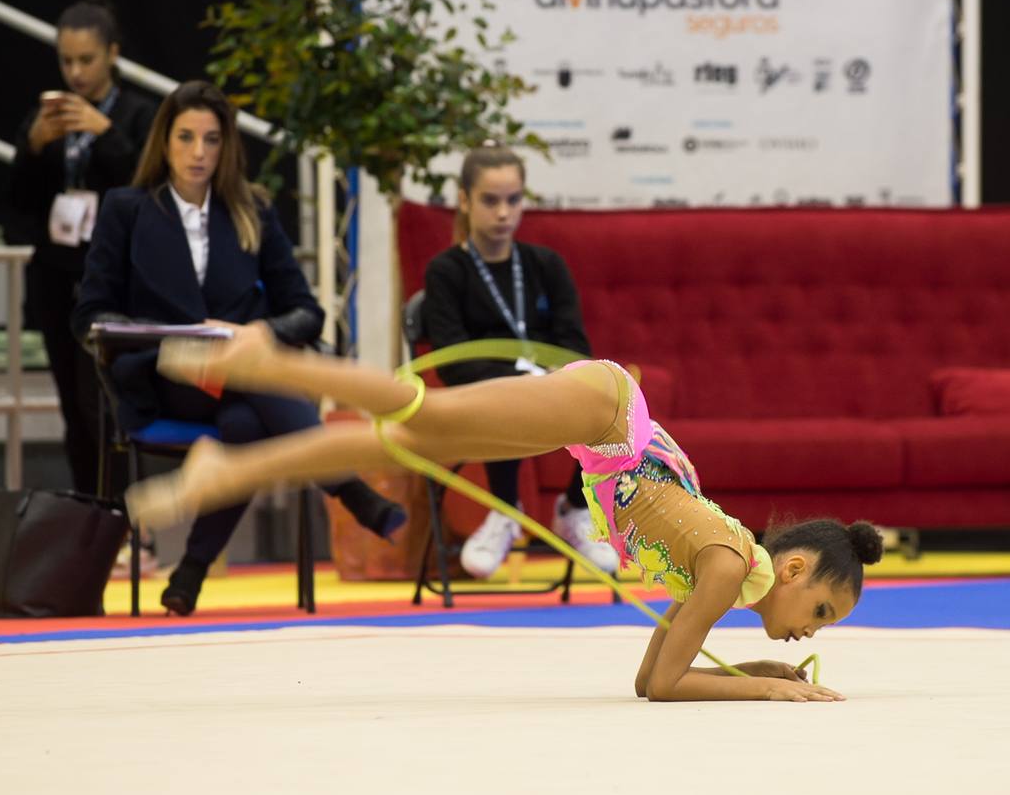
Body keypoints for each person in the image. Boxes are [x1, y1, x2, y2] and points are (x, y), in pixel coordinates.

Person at [127, 323, 882, 701]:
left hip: (596, 436)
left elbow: (654, 675)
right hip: (606, 411)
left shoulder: (729, 573)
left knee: (403, 446)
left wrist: (757, 668)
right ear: (793, 566)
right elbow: (668, 686)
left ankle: (230, 468)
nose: (815, 628)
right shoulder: (723, 569)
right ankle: (268, 359)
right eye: (821, 606)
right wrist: (771, 689)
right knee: (431, 414)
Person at [71, 80, 406, 616]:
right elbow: (91, 314)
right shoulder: (127, 210)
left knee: (247, 425)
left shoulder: (251, 210)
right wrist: (165, 337)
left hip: (240, 376)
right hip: (166, 375)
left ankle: (190, 574)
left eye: (211, 139)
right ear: (164, 141)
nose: (198, 153)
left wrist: (262, 335)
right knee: (255, 392)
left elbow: (305, 311)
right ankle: (348, 489)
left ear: (227, 145)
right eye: (185, 138)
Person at [423, 144, 617, 578]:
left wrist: (551, 377)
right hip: (485, 396)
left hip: (553, 389)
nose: (504, 213)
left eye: (513, 199)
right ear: (464, 200)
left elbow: (574, 345)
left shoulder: (546, 264)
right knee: (506, 397)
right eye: (491, 200)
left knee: (613, 394)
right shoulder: (446, 272)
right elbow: (452, 361)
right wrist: (520, 378)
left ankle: (573, 509)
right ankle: (504, 510)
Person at [9, 0, 156, 496]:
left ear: (113, 54)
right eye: (66, 60)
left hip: (115, 279)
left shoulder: (136, 115)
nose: (75, 73)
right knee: (71, 404)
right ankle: (91, 518)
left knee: (106, 402)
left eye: (86, 60)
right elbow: (18, 200)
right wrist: (31, 147)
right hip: (57, 272)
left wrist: (106, 133)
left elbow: (148, 187)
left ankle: (126, 516)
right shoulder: (47, 118)